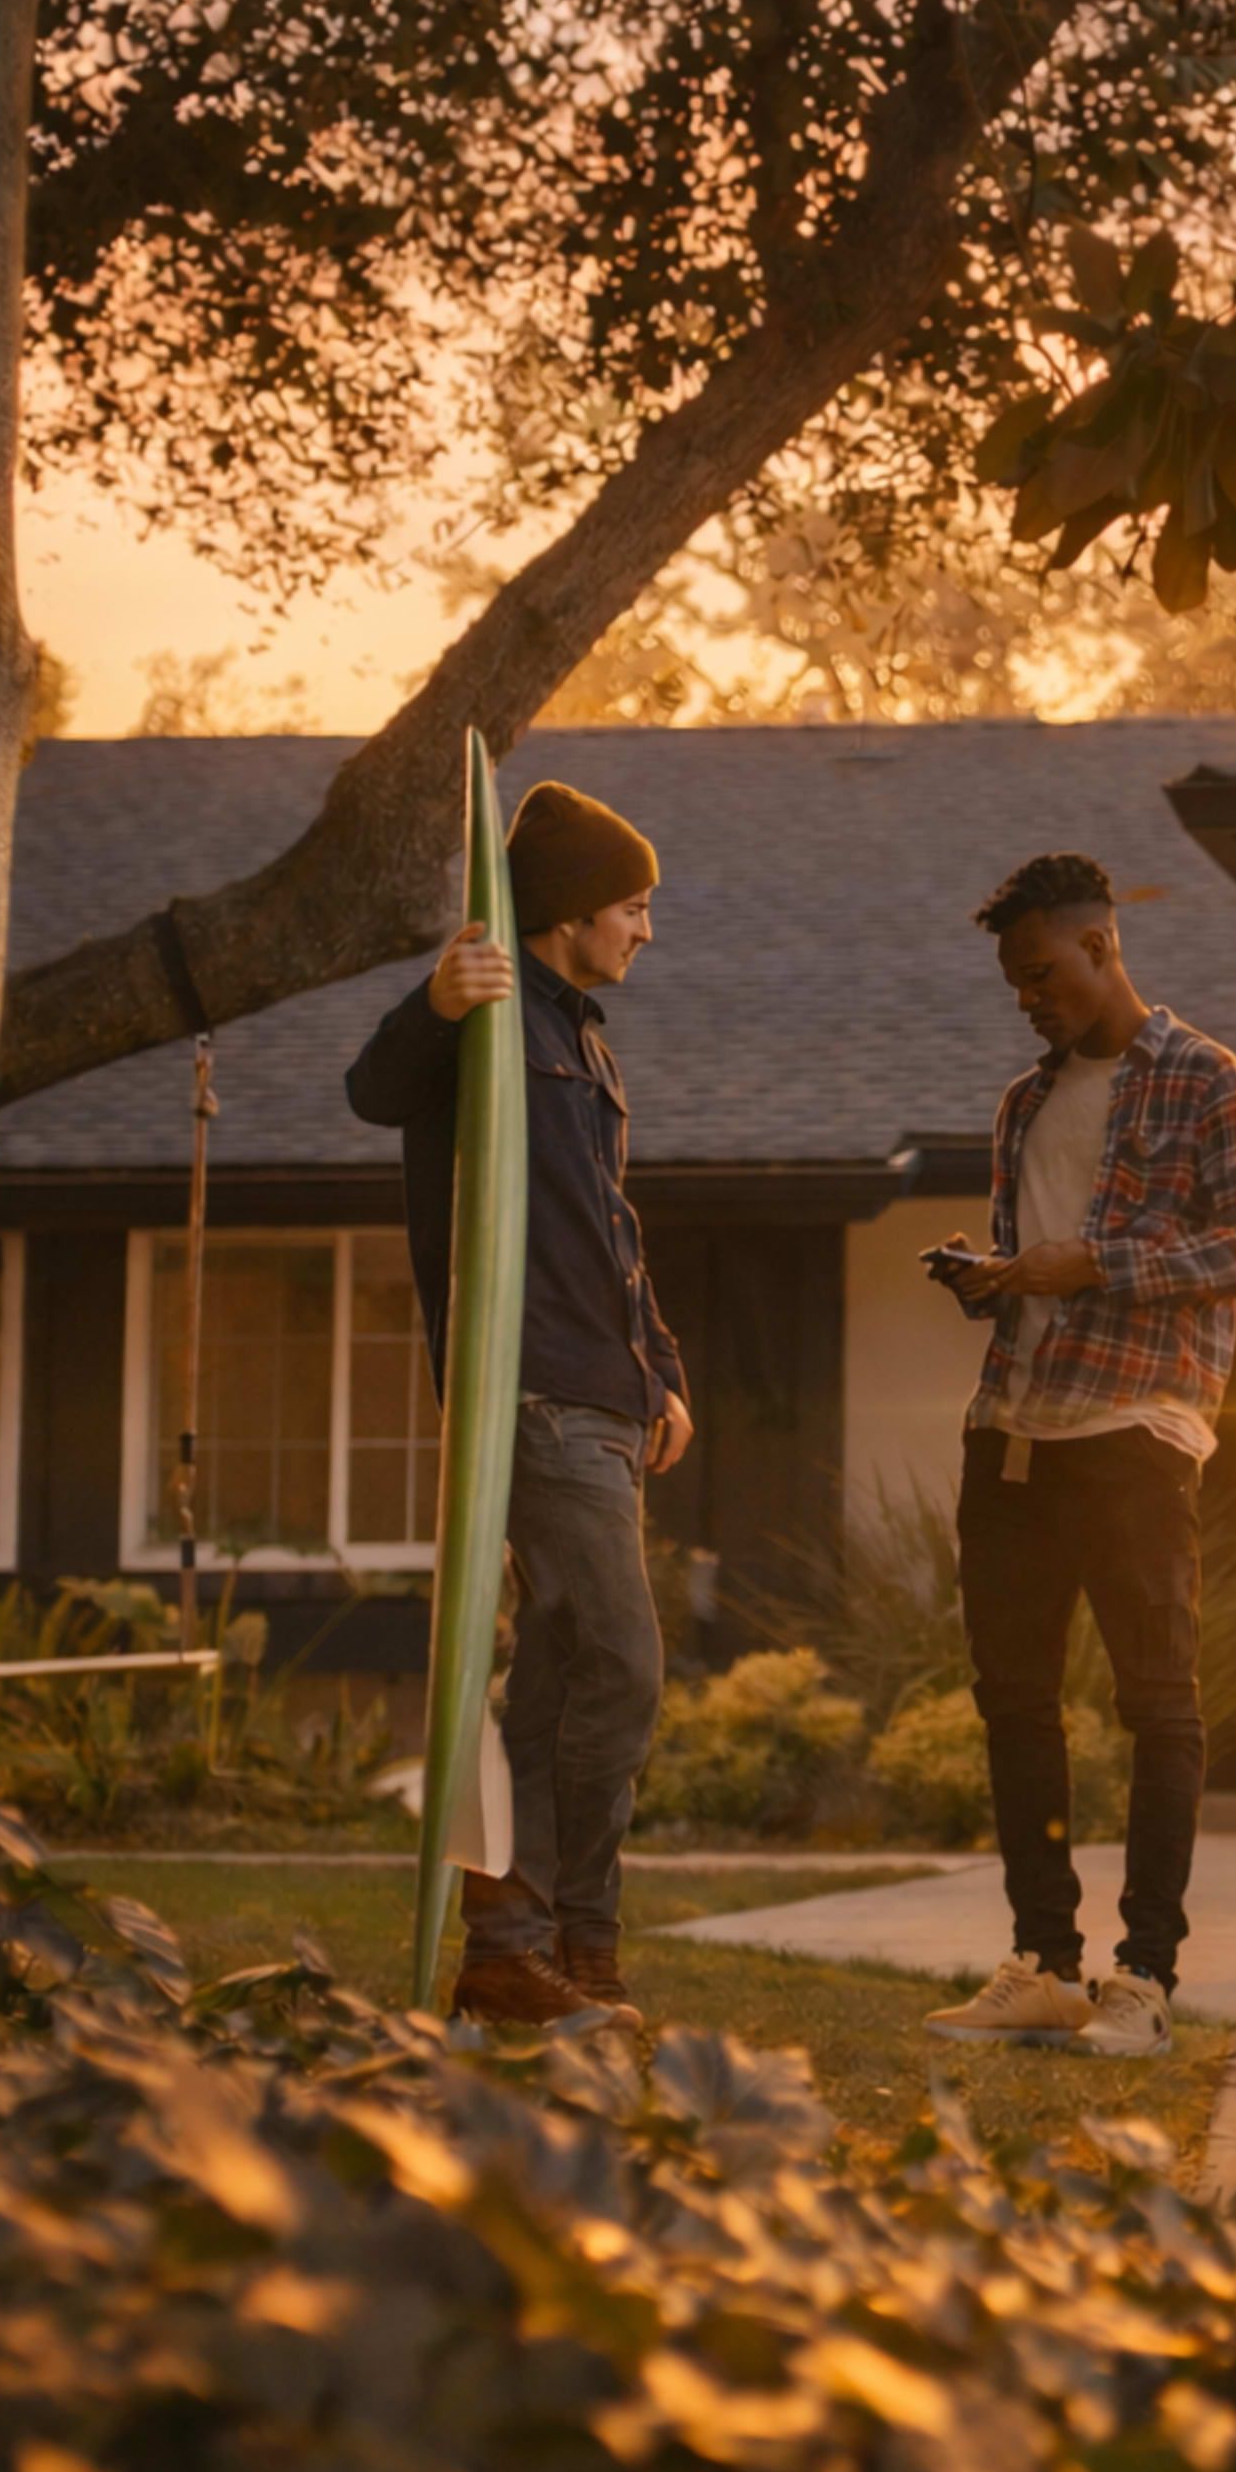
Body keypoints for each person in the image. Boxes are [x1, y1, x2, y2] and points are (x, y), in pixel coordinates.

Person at [923, 852, 1236, 2058]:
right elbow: (1033, 1268)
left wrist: (1103, 1265)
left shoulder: (1207, 1082)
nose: (1027, 999)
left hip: (1138, 1431)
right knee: (1016, 1703)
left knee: (1156, 1705)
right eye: (1014, 983)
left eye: (1041, 974)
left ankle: (1143, 1979)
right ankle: (1043, 1963)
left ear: (1101, 948)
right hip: (1015, 1429)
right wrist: (990, 1277)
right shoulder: (1022, 1103)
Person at [345, 781, 693, 2031]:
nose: (646, 930)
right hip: (534, 1392)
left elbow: (613, 1227)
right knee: (622, 1664)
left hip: (606, 1396)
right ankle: (521, 1937)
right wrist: (435, 1002)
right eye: (633, 906)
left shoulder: (587, 1036)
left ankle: (559, 1961)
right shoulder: (485, 1015)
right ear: (567, 910)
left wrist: (659, 1365)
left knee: (558, 1685)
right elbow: (373, 1090)